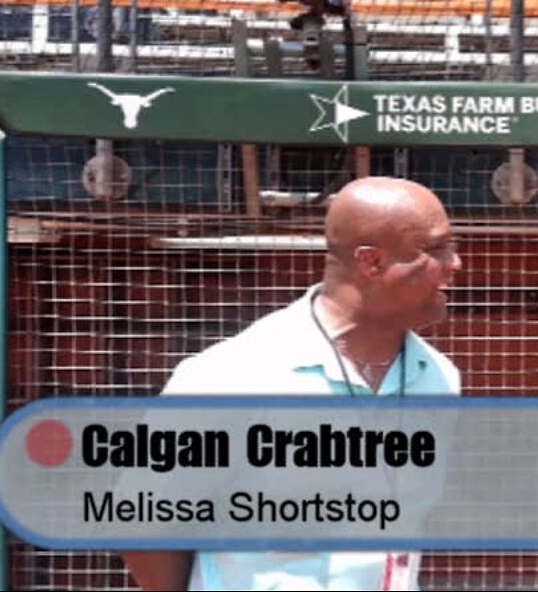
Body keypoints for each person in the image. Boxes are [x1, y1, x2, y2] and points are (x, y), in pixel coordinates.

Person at [121, 176, 464, 591]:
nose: (455, 264)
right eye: (436, 249)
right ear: (371, 263)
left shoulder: (437, 380)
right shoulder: (231, 377)